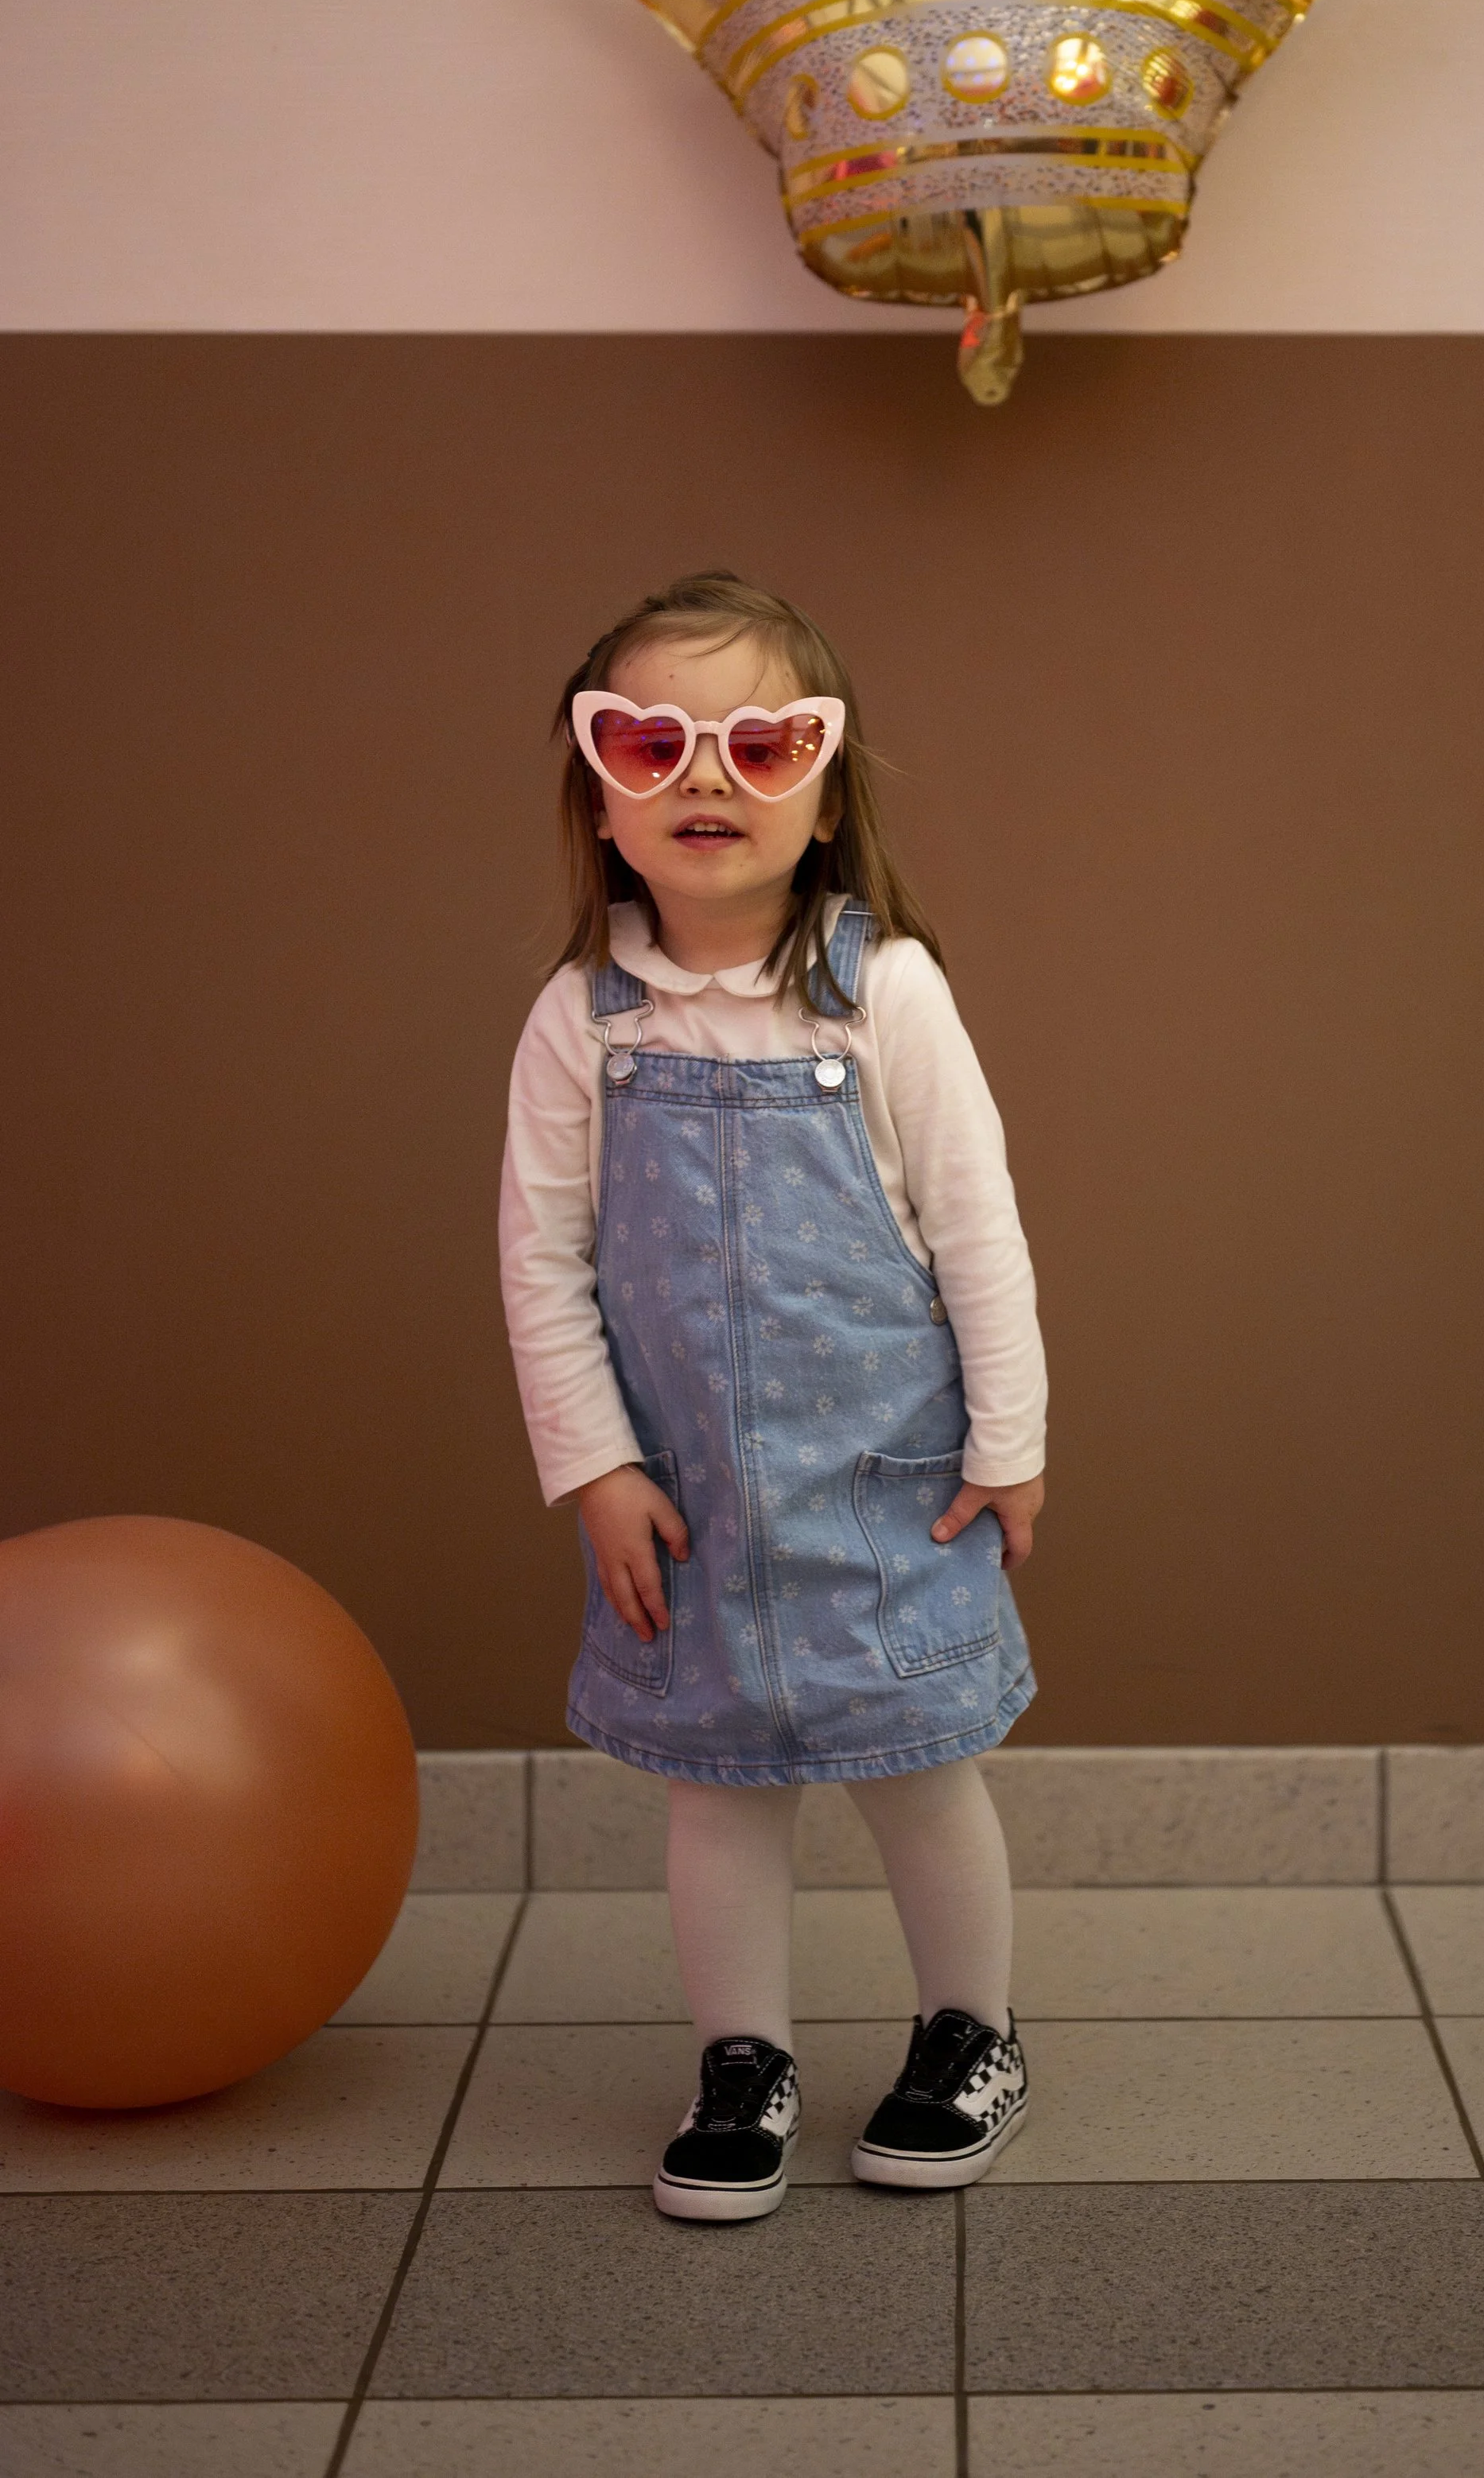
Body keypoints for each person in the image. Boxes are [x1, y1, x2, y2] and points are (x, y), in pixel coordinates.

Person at [499, 572, 1047, 2221]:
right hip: (691, 1494)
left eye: (759, 742)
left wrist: (1008, 1441)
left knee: (918, 1766)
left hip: (893, 1480)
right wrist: (594, 1465)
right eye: (652, 742)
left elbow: (977, 1228)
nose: (704, 779)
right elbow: (539, 1265)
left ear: (824, 793)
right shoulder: (578, 1025)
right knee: (718, 1788)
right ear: (598, 800)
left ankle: (971, 2033)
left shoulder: (887, 996)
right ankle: (743, 2056)